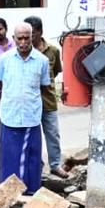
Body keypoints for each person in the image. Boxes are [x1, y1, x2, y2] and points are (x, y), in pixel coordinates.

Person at [0, 23, 51, 195]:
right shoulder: (4, 59)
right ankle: (7, 195)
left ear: (32, 37)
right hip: (9, 115)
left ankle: (30, 193)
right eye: (20, 38)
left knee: (31, 159)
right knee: (8, 157)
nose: (24, 42)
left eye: (27, 37)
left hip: (31, 117)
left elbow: (43, 87)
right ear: (14, 39)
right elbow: (1, 84)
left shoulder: (42, 61)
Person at [25, 16, 67, 178]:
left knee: (53, 133)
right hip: (29, 102)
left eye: (32, 33)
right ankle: (37, 165)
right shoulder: (24, 51)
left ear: (40, 32)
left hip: (48, 100)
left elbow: (55, 72)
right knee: (32, 136)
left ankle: (55, 164)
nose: (29, 37)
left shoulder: (53, 50)